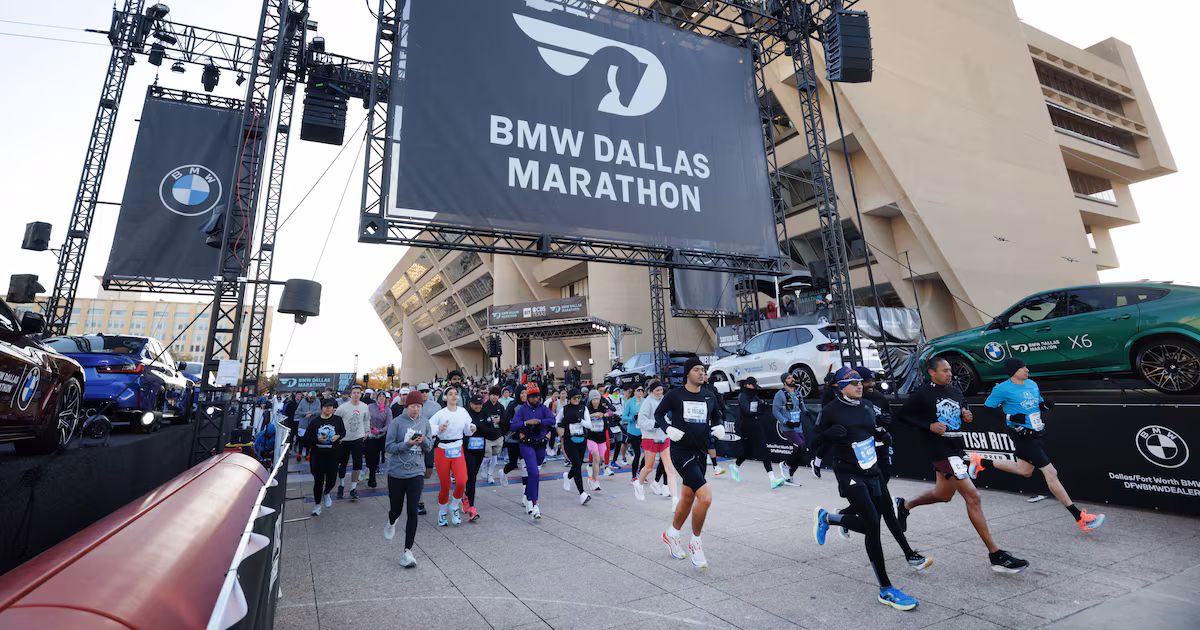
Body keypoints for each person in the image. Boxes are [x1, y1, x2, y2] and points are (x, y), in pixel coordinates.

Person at [896, 357, 1029, 573]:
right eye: (945, 370)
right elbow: (902, 417)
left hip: (957, 447)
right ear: (932, 372)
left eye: (950, 370)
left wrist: (967, 415)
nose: (950, 374)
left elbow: (964, 414)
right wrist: (928, 425)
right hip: (941, 450)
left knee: (943, 495)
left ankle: (905, 506)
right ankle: (996, 554)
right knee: (973, 497)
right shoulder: (922, 394)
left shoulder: (955, 391)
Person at [811, 368, 922, 612]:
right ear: (840, 387)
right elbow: (814, 439)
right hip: (848, 472)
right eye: (852, 383)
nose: (859, 386)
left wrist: (883, 433)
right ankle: (886, 589)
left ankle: (829, 518)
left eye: (859, 382)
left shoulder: (867, 406)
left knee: (879, 519)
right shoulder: (831, 410)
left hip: (872, 470)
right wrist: (828, 435)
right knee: (872, 523)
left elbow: (871, 433)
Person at [980, 358, 1105, 533]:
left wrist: (1043, 404)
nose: (1027, 369)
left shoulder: (1031, 384)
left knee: (1024, 470)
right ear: (1013, 370)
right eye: (1022, 367)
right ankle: (1080, 518)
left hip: (1039, 433)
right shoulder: (1002, 388)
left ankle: (980, 462)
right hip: (1022, 436)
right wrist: (1009, 418)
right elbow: (988, 408)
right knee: (1051, 473)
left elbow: (1037, 402)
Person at [655, 359, 726, 568]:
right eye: (696, 370)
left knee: (687, 497)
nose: (701, 373)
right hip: (681, 452)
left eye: (703, 370)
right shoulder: (674, 395)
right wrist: (667, 429)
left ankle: (671, 534)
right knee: (705, 497)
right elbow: (658, 414)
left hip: (700, 452)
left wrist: (719, 426)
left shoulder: (709, 396)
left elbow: (716, 416)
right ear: (687, 373)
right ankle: (696, 542)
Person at [384, 390, 431, 567]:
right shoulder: (397, 423)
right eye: (413, 406)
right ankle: (391, 521)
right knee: (396, 509)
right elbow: (389, 447)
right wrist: (407, 444)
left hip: (416, 472)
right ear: (407, 406)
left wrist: (424, 440)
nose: (416, 409)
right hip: (396, 472)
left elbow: (429, 447)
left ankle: (407, 551)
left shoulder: (425, 423)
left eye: (419, 406)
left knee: (413, 510)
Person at [428, 387, 475, 526]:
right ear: (445, 397)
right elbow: (430, 427)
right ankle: (442, 511)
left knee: (461, 481)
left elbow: (467, 429)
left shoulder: (463, 412)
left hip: (457, 448)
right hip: (442, 450)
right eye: (450, 394)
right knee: (445, 485)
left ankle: (454, 506)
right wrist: (438, 429)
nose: (454, 396)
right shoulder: (440, 414)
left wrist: (472, 428)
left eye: (456, 394)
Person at [510, 384, 556, 519]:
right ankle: (534, 504)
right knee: (533, 471)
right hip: (526, 444)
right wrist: (526, 423)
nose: (535, 399)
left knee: (535, 472)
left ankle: (527, 496)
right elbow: (513, 425)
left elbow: (552, 420)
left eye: (537, 396)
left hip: (540, 444)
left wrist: (540, 421)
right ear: (528, 398)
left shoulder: (543, 408)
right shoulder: (522, 410)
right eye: (532, 397)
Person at [635, 381, 678, 504]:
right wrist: (654, 424)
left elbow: (668, 415)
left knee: (669, 467)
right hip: (650, 438)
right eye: (657, 390)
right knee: (649, 467)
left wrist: (669, 423)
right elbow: (641, 421)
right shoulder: (647, 402)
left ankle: (675, 499)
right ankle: (639, 483)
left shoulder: (664, 400)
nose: (660, 392)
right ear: (651, 391)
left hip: (664, 437)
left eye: (661, 390)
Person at [729, 377, 772, 484]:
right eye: (753, 386)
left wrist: (763, 405)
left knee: (764, 449)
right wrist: (760, 410)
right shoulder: (742, 396)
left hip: (756, 425)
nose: (754, 388)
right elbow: (747, 411)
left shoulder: (754, 396)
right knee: (747, 452)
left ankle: (772, 479)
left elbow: (762, 404)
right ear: (747, 385)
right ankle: (735, 467)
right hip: (746, 427)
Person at [306, 398, 344, 515]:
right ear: (322, 408)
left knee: (332, 478)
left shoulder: (337, 420)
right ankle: (317, 505)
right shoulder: (315, 422)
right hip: (318, 455)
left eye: (330, 406)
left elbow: (343, 432)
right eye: (326, 406)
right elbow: (306, 438)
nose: (328, 408)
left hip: (333, 454)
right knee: (318, 480)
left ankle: (327, 492)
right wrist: (316, 439)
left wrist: (338, 436)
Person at [771, 370, 807, 488]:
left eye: (792, 377)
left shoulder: (798, 393)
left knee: (801, 451)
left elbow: (802, 407)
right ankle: (785, 465)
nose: (792, 379)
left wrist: (809, 414)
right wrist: (785, 421)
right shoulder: (780, 394)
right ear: (784, 382)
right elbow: (775, 411)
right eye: (789, 378)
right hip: (788, 427)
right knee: (800, 447)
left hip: (798, 426)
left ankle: (789, 477)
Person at [334, 385, 370, 501]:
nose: (356, 395)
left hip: (358, 438)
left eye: (358, 393)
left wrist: (366, 431)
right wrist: (338, 435)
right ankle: (341, 485)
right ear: (350, 394)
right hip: (344, 439)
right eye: (354, 393)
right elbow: (336, 421)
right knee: (342, 464)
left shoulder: (364, 407)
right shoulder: (343, 408)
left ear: (361, 394)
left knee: (357, 464)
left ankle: (353, 488)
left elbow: (366, 419)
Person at [557, 388, 592, 505]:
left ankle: (568, 476)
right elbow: (556, 421)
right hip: (569, 440)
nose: (576, 400)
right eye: (574, 398)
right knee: (577, 464)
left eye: (578, 398)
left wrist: (579, 420)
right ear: (569, 399)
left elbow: (589, 424)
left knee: (579, 464)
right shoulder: (565, 409)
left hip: (582, 439)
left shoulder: (584, 408)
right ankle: (582, 493)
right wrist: (562, 425)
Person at [416, 383, 441, 514]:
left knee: (428, 471)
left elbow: (442, 422)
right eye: (421, 391)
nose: (424, 394)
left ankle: (417, 488)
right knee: (419, 473)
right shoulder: (412, 406)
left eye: (426, 391)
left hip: (431, 443)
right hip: (416, 444)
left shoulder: (436, 406)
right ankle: (420, 501)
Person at [584, 390, 614, 490]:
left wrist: (604, 415)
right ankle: (595, 481)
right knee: (596, 457)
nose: (596, 401)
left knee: (599, 460)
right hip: (591, 437)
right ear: (591, 400)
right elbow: (584, 417)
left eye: (597, 399)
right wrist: (594, 415)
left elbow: (611, 412)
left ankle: (592, 478)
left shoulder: (603, 407)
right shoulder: (587, 409)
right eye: (594, 399)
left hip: (601, 437)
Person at [501, 386, 528, 487]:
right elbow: (507, 421)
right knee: (513, 464)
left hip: (526, 439)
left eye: (525, 392)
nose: (524, 395)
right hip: (513, 439)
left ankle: (526, 494)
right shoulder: (513, 406)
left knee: (525, 465)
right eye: (522, 393)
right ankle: (503, 473)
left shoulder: (530, 405)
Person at [366, 389, 392, 488]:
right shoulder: (370, 407)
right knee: (371, 456)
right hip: (370, 436)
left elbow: (389, 423)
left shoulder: (387, 409)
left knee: (377, 456)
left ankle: (373, 475)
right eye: (380, 397)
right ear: (376, 398)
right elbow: (365, 418)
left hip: (381, 436)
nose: (382, 399)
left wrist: (380, 430)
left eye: (383, 397)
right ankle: (371, 473)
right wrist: (369, 429)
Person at [481, 386, 507, 483]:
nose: (494, 397)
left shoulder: (500, 407)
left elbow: (505, 420)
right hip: (487, 435)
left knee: (495, 457)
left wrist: (500, 421)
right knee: (487, 456)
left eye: (496, 395)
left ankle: (490, 474)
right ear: (489, 395)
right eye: (493, 395)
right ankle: (483, 468)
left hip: (498, 435)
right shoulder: (485, 406)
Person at [622, 386, 644, 481]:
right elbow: (623, 417)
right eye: (638, 390)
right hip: (633, 432)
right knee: (637, 454)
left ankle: (641, 472)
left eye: (642, 390)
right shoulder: (630, 402)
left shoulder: (645, 401)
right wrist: (632, 418)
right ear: (634, 392)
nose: (640, 392)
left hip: (644, 431)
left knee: (648, 454)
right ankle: (634, 476)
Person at [294, 392, 321, 462]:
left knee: (310, 440)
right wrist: (305, 413)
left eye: (313, 398)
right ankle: (299, 453)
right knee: (301, 439)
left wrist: (311, 413)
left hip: (312, 424)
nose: (312, 400)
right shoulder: (302, 402)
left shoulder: (317, 401)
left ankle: (307, 454)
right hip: (303, 424)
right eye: (311, 398)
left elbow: (319, 411)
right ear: (308, 397)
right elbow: (297, 412)